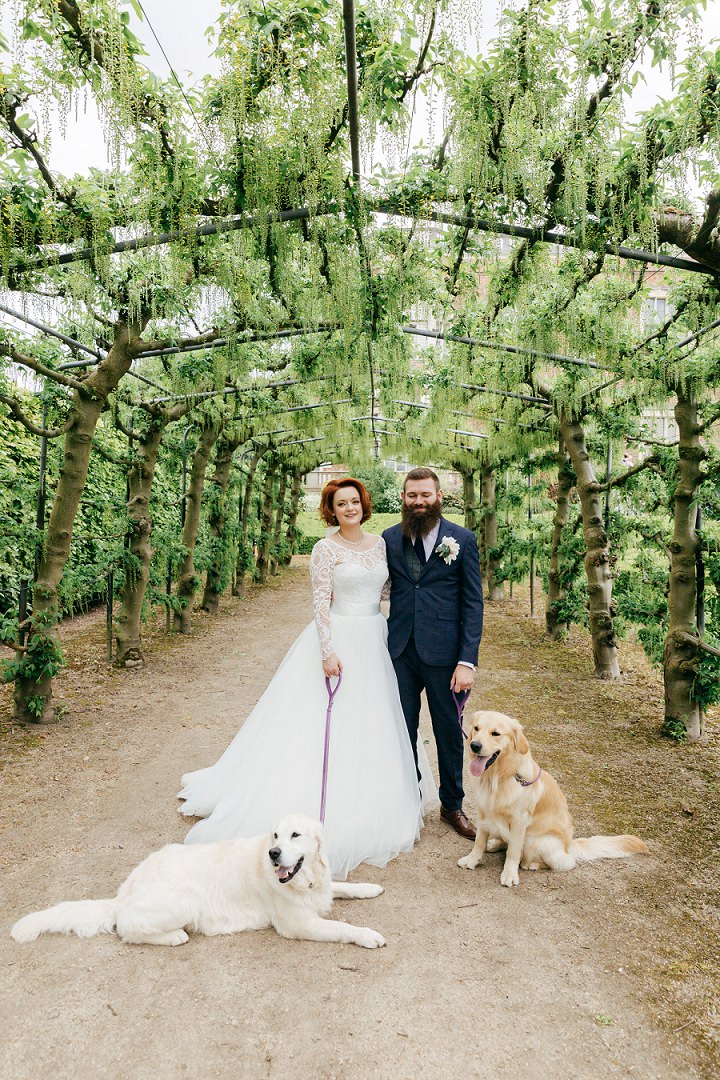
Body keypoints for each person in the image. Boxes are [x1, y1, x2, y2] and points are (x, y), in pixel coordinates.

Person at [177, 477, 436, 880]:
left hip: (375, 638)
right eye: (340, 503)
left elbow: (386, 589)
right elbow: (320, 603)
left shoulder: (381, 545)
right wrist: (327, 650)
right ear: (330, 510)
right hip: (341, 639)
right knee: (320, 723)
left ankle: (378, 795)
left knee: (378, 720)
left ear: (363, 505)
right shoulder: (324, 549)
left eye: (354, 501)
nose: (348, 508)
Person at [382, 467, 484, 841]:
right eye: (412, 496)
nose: (419, 501)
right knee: (401, 730)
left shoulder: (462, 539)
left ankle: (452, 806)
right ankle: (407, 801)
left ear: (439, 496)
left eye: (426, 495)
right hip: (400, 652)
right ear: (404, 498)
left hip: (445, 655)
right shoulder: (390, 539)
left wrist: (466, 660)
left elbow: (473, 604)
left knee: (447, 733)